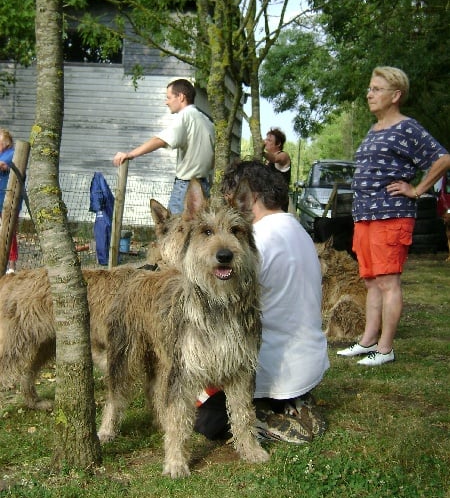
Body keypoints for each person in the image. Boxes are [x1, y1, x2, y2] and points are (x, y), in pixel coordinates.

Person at [195, 159, 329, 444]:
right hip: (309, 363)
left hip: (269, 371)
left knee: (203, 417)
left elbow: (222, 313)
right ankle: (292, 402)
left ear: (249, 198)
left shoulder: (257, 240)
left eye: (233, 200)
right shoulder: (300, 232)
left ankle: (263, 418)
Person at [337, 66, 450, 366]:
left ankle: (386, 349)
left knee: (389, 283)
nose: (369, 94)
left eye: (376, 89)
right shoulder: (374, 129)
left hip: (391, 216)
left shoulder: (407, 128)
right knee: (372, 283)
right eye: (369, 88)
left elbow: (442, 158)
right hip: (366, 217)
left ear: (395, 95)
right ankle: (367, 341)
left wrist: (417, 189)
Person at [113, 78, 215, 214]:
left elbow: (160, 140)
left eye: (168, 97)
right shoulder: (207, 121)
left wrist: (130, 154)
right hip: (204, 186)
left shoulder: (185, 116)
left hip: (186, 186)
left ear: (181, 97)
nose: (166, 102)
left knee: (174, 231)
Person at [0, 128, 18, 274]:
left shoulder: (11, 154)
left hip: (8, 201)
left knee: (9, 232)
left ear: (5, 142)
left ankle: (11, 266)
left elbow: (2, 166)